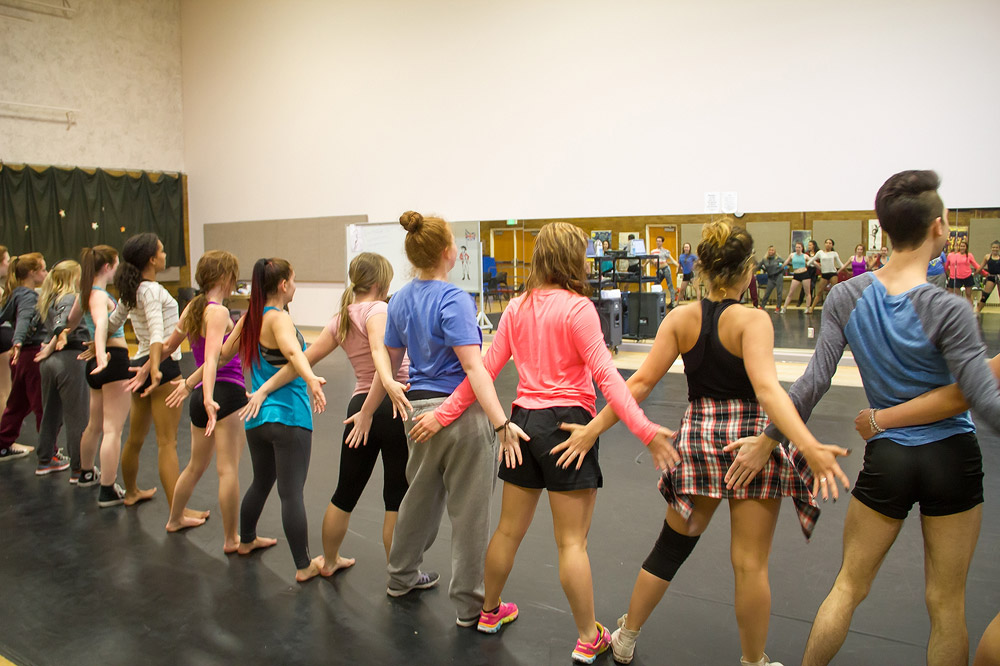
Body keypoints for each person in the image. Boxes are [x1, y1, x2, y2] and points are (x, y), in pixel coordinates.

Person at [726, 171, 1000, 666]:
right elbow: (984, 402)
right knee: (947, 604)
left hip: (889, 457)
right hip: (952, 458)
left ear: (885, 230)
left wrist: (769, 439)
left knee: (848, 586)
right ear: (938, 228)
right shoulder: (950, 309)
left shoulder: (845, 296)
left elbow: (812, 383)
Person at [556, 220, 848, 666]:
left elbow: (638, 384)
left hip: (698, 442)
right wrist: (806, 444)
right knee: (750, 563)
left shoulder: (680, 318)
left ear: (704, 270)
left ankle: (626, 636)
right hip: (749, 445)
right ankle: (753, 661)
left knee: (670, 548)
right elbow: (768, 391)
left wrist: (593, 428)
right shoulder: (753, 320)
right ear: (747, 271)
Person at [409, 222, 679, 663]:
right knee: (572, 543)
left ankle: (489, 611)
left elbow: (483, 373)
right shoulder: (578, 308)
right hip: (567, 427)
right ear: (572, 259)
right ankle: (588, 637)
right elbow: (608, 378)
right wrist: (645, 430)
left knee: (507, 530)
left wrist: (442, 415)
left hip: (522, 425)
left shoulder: (516, 307)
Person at [378, 210, 523, 628]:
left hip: (416, 414)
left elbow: (389, 363)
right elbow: (475, 369)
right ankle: (469, 606)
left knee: (418, 501)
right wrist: (501, 424)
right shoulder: (454, 299)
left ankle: (401, 577)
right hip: (459, 419)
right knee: (470, 514)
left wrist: (374, 402)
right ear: (448, 252)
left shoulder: (399, 299)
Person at [240, 252, 410, 575]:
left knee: (345, 492)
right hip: (388, 406)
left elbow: (301, 361)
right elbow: (383, 360)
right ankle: (399, 575)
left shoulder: (340, 319)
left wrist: (264, 388)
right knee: (395, 497)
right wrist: (370, 411)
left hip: (359, 407)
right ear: (380, 283)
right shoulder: (379, 310)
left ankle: (330, 560)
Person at [234, 257, 326, 580]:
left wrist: (192, 383)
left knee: (261, 482)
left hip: (257, 419)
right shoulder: (279, 318)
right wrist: (311, 379)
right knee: (291, 493)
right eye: (294, 280)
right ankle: (303, 566)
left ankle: (246, 539)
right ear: (284, 285)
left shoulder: (250, 318)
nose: (295, 286)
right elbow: (292, 352)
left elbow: (221, 354)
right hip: (288, 416)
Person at [106, 233, 201, 514]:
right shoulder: (152, 290)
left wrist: (95, 343)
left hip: (138, 363)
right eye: (161, 251)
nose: (164, 255)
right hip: (161, 365)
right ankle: (178, 512)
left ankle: (131, 492)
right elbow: (158, 331)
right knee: (167, 443)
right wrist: (157, 368)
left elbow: (111, 323)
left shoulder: (132, 290)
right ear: (151, 259)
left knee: (135, 438)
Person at [159, 251, 247, 552]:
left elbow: (169, 346)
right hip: (224, 394)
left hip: (200, 395)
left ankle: (175, 519)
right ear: (224, 277)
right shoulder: (218, 312)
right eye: (233, 275)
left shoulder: (193, 308)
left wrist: (147, 366)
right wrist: (209, 398)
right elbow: (213, 358)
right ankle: (231, 539)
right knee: (228, 470)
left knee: (195, 466)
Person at [77, 246, 132, 505]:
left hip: (97, 366)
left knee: (95, 424)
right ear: (108, 266)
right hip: (112, 361)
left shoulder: (84, 293)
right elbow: (101, 324)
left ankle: (87, 472)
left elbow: (69, 320)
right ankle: (108, 488)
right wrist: (101, 355)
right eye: (116, 264)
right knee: (112, 429)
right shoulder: (98, 295)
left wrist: (57, 338)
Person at [33, 261, 91, 480]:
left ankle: (45, 459)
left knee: (50, 412)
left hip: (50, 362)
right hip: (70, 359)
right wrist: (61, 332)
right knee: (77, 416)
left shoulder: (47, 299)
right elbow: (63, 319)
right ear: (73, 277)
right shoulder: (68, 298)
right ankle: (79, 468)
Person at [0, 252, 47, 463]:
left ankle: (3, 443)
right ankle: (49, 452)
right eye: (43, 270)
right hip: (31, 354)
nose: (46, 273)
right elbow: (24, 320)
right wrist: (18, 341)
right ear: (32, 273)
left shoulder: (15, 294)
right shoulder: (28, 296)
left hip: (21, 358)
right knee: (41, 405)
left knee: (17, 403)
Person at [806, 239, 843, 313]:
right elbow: (810, 262)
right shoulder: (820, 253)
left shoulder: (834, 253)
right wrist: (818, 265)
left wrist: (841, 271)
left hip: (833, 273)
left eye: (830, 243)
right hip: (824, 274)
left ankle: (838, 309)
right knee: (819, 292)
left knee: (835, 291)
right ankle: (811, 308)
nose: (828, 244)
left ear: (832, 245)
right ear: (824, 244)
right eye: (826, 243)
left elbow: (840, 264)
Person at [945, 239, 980, 306]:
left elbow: (976, 265)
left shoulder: (969, 255)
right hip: (957, 277)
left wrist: (980, 273)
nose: (962, 248)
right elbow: (946, 267)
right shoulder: (952, 255)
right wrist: (950, 274)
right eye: (961, 246)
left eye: (964, 246)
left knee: (968, 294)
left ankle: (970, 309)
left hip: (967, 276)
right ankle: (960, 309)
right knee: (957, 295)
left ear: (966, 247)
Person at [779, 242, 811, 313]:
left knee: (807, 292)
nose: (797, 249)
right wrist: (780, 268)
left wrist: (820, 267)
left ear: (802, 248)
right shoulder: (792, 255)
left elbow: (812, 261)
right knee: (791, 292)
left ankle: (807, 307)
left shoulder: (805, 256)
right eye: (796, 247)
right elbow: (786, 262)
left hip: (804, 274)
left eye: (799, 247)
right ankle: (784, 308)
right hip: (796, 274)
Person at [0, 247, 13, 419]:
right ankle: (5, 432)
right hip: (2, 339)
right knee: (4, 389)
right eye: (7, 260)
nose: (9, 264)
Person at [975, 240, 1000, 314]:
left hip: (999, 277)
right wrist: (976, 273)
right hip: (991, 277)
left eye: (996, 247)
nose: (995, 249)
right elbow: (980, 267)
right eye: (993, 247)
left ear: (999, 248)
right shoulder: (987, 257)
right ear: (991, 248)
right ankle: (977, 311)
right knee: (985, 296)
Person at [652, 236, 678, 306]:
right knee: (656, 284)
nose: (658, 242)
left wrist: (677, 265)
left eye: (659, 241)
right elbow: (650, 259)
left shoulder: (665, 251)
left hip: (666, 269)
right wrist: (644, 265)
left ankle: (673, 302)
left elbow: (671, 259)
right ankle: (655, 301)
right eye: (657, 241)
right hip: (659, 270)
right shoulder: (653, 251)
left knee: (670, 284)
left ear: (662, 242)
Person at [757, 246, 785, 311]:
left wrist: (782, 269)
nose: (771, 251)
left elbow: (787, 263)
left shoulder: (778, 259)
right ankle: (762, 306)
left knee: (779, 292)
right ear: (768, 251)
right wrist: (763, 269)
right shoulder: (765, 259)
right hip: (771, 277)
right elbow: (758, 266)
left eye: (772, 250)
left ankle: (778, 307)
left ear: (775, 251)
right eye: (770, 250)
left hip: (778, 276)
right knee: (767, 293)